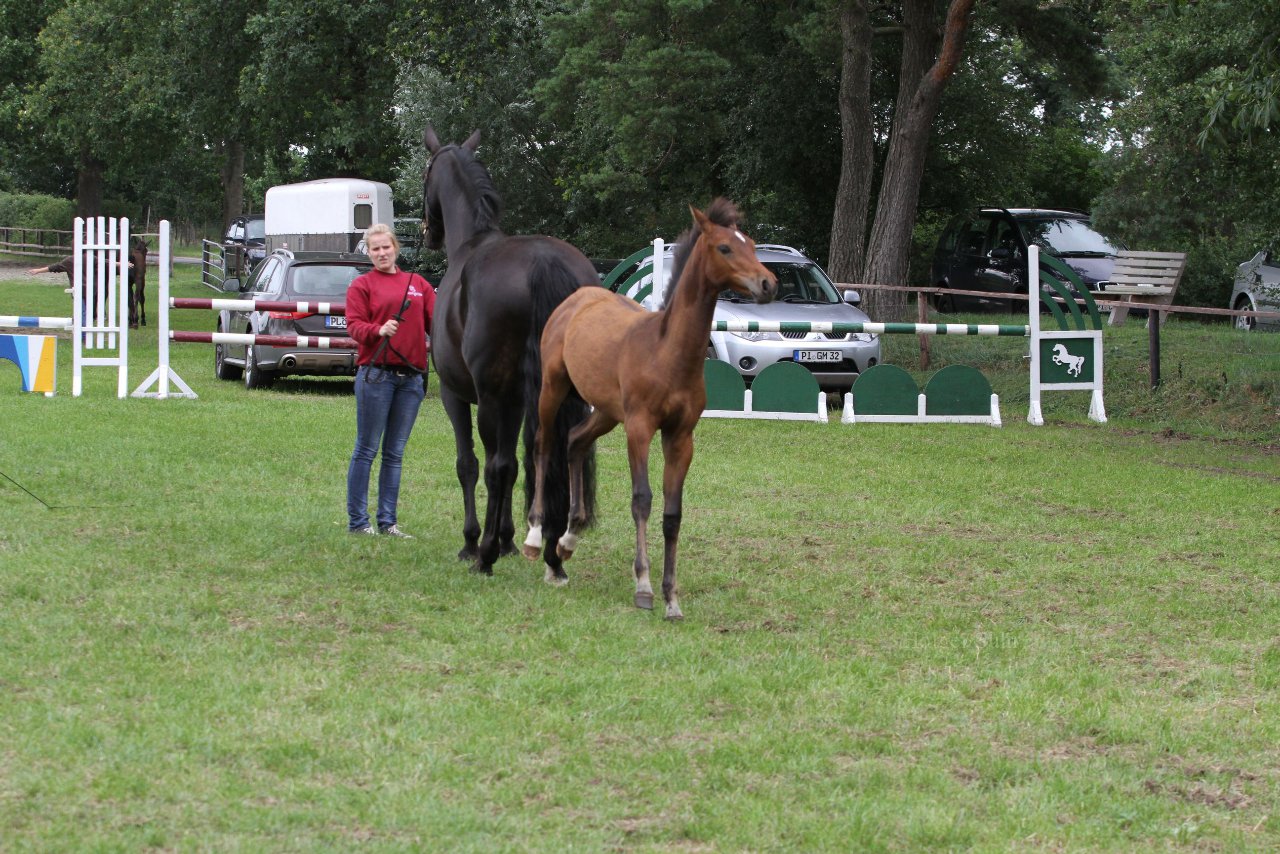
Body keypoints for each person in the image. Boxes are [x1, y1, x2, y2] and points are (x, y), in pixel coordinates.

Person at [345, 223, 435, 537]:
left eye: (386, 247)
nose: (382, 253)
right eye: (375, 249)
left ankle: (388, 522)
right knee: (367, 449)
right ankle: (358, 522)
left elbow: (437, 324)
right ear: (368, 253)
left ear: (396, 248)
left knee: (395, 453)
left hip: (411, 381)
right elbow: (354, 327)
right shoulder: (362, 286)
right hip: (375, 378)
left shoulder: (418, 284)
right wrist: (377, 330)